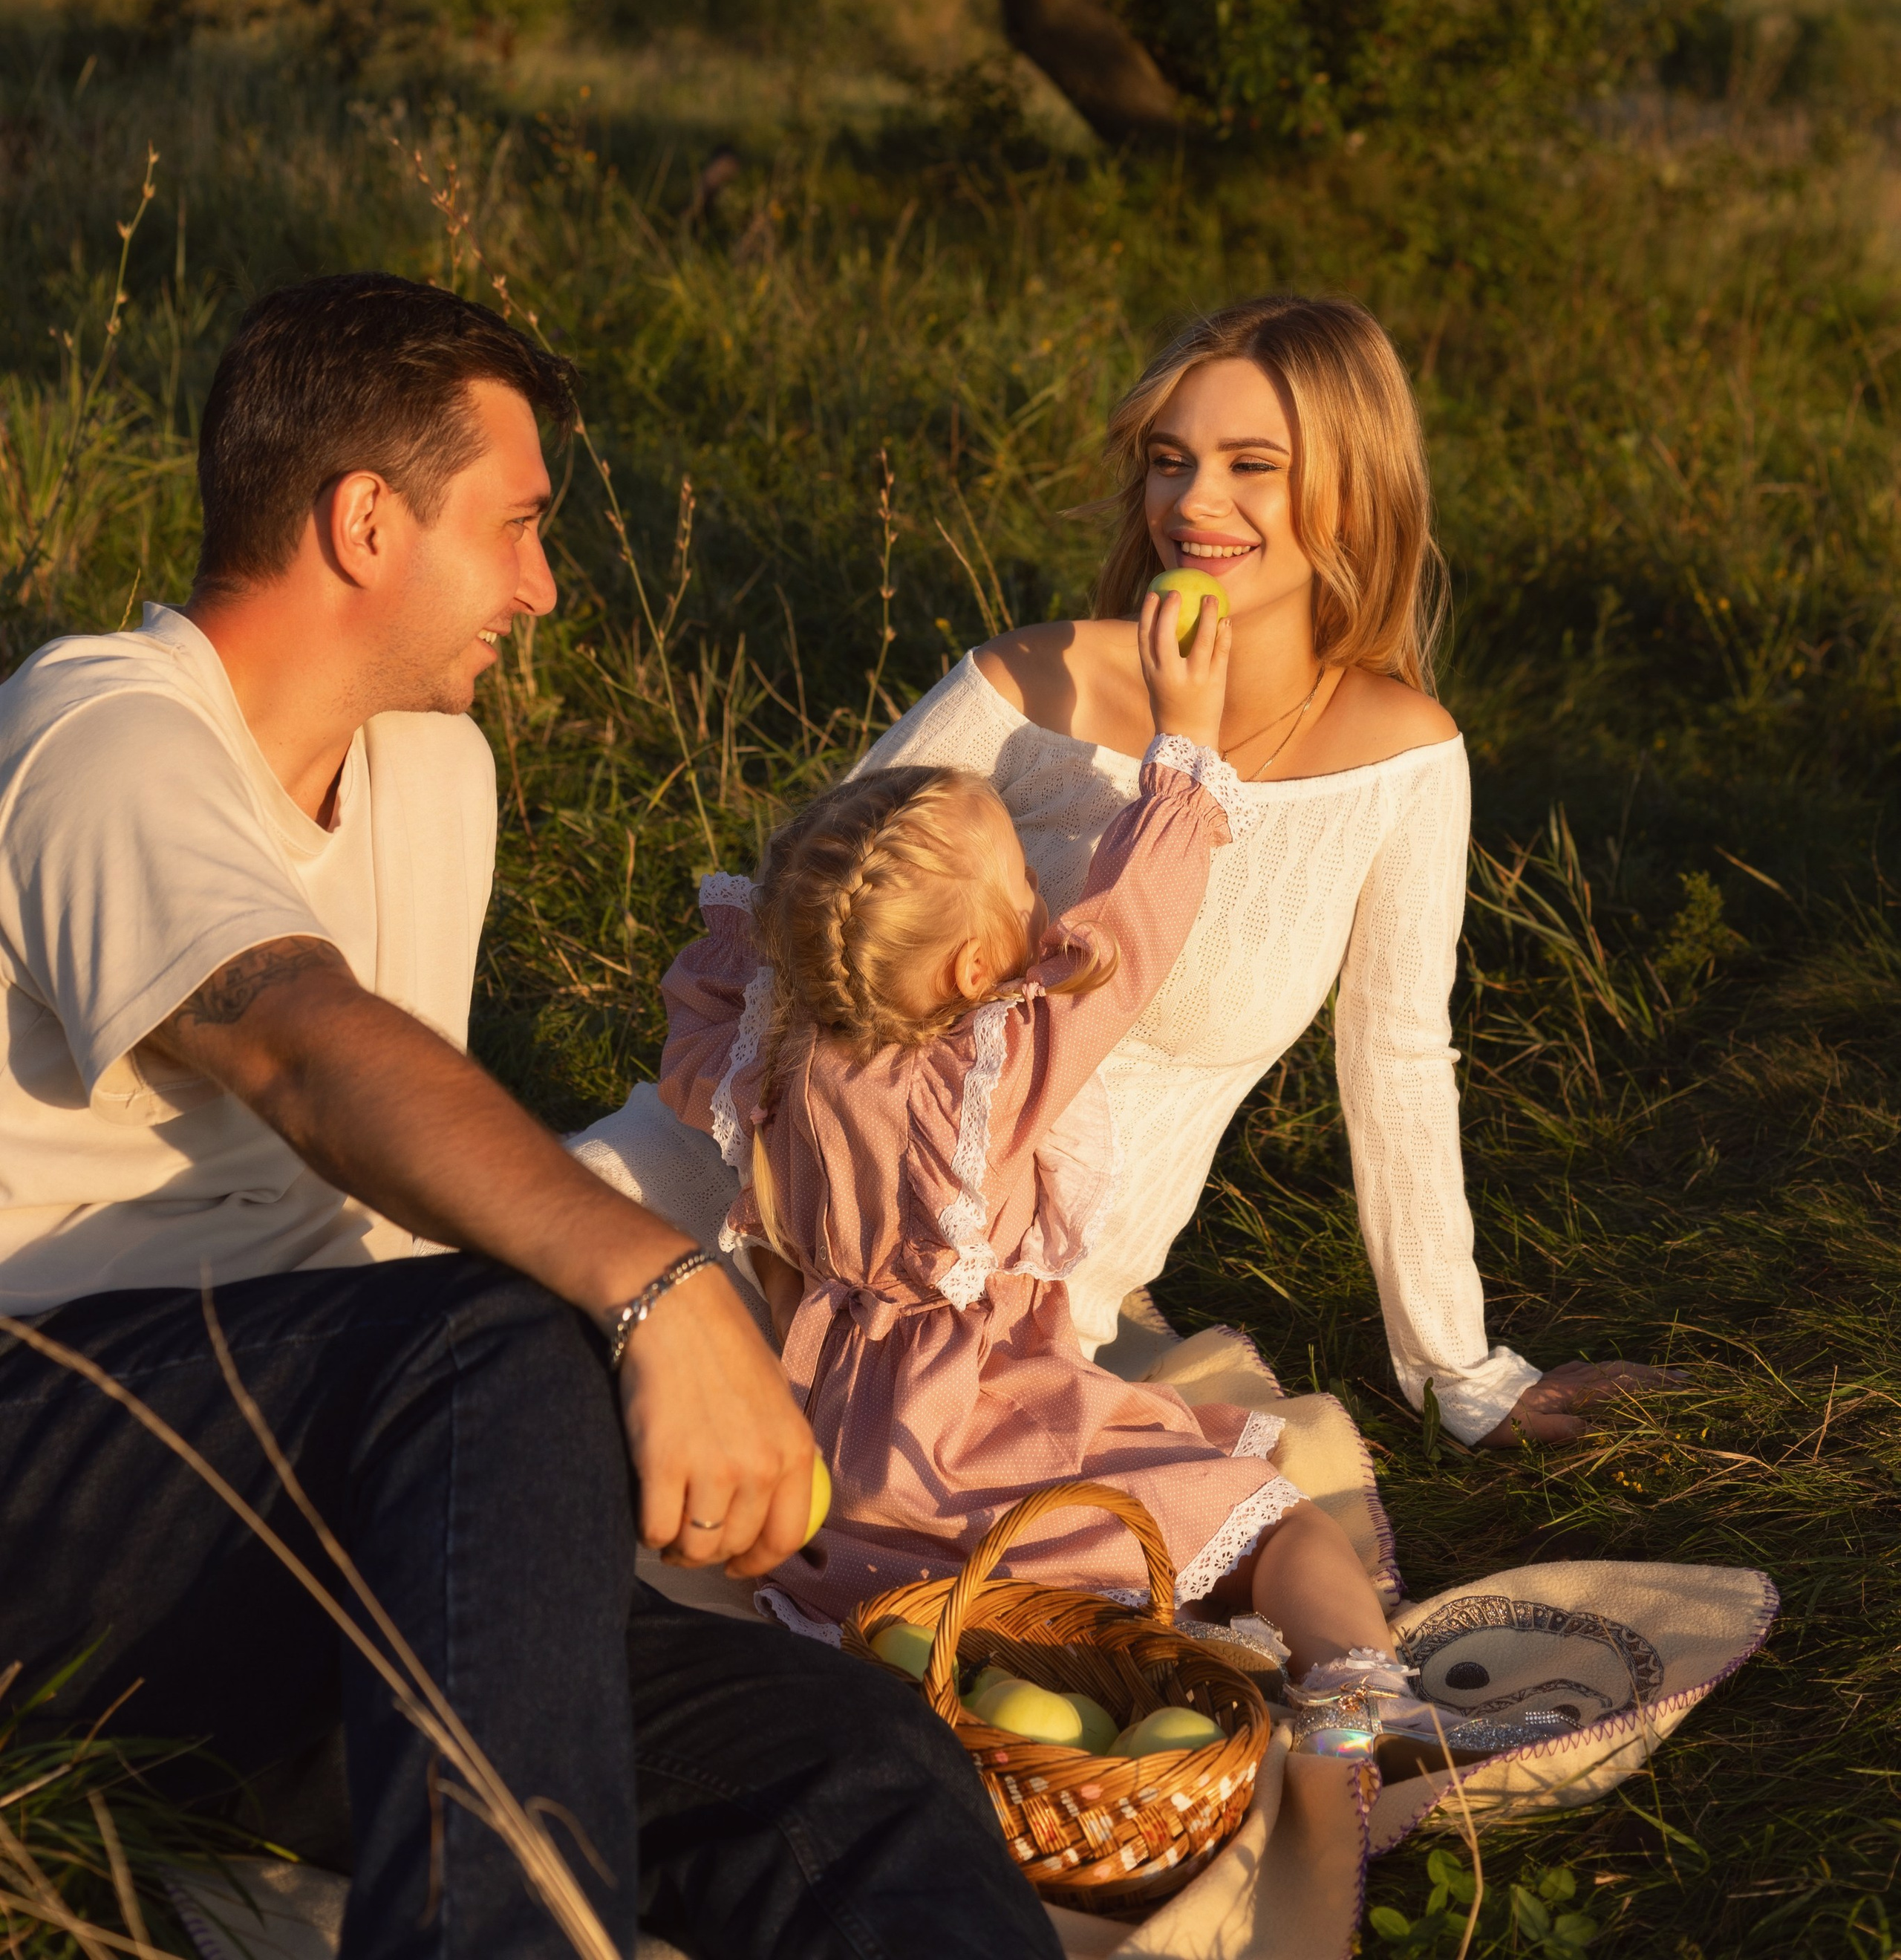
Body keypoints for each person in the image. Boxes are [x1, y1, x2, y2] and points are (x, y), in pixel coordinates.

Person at [0, 274, 1060, 1960]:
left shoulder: (438, 770)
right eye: (513, 527)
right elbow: (295, 1044)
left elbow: (401, 1193)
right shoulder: (100, 735)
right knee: (503, 1333)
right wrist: (651, 1284)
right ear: (364, 521)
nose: (544, 588)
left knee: (846, 1753)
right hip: (56, 1468)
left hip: (300, 1510)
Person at [582, 293, 1667, 1451]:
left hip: (993, 1331)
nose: (1194, 502)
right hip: (770, 1219)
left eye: (1252, 464)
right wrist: (781, 1223)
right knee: (449, 1319)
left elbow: (1397, 1060)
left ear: (1354, 487)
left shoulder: (1400, 758)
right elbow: (796, 923)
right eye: (1169, 460)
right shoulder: (1034, 687)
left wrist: (1465, 1372)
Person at [654, 590, 1548, 1770]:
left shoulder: (765, 1066)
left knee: (991, 1603)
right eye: (1026, 889)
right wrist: (1185, 756)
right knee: (1265, 1510)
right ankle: (1355, 1704)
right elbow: (1134, 937)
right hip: (982, 1420)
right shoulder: (995, 1070)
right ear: (983, 964)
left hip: (839, 1447)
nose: (1047, 905)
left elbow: (706, 1001)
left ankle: (991, 1675)